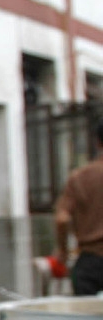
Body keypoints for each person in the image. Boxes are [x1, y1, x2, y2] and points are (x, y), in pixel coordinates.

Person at [55, 118, 103, 295]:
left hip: (90, 263)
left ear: (98, 142)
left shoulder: (79, 177)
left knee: (86, 319)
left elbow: (62, 219)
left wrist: (63, 250)